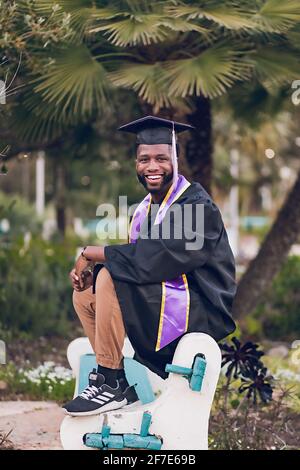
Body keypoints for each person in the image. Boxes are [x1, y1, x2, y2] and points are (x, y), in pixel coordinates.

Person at [62, 116, 236, 416]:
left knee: (110, 276)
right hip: (165, 298)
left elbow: (159, 258)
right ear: (135, 163)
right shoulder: (146, 208)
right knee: (86, 292)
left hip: (200, 309)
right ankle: (115, 378)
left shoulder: (196, 206)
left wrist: (92, 253)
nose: (152, 166)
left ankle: (109, 382)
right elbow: (141, 258)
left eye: (161, 158)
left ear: (175, 160)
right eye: (144, 159)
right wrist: (91, 270)